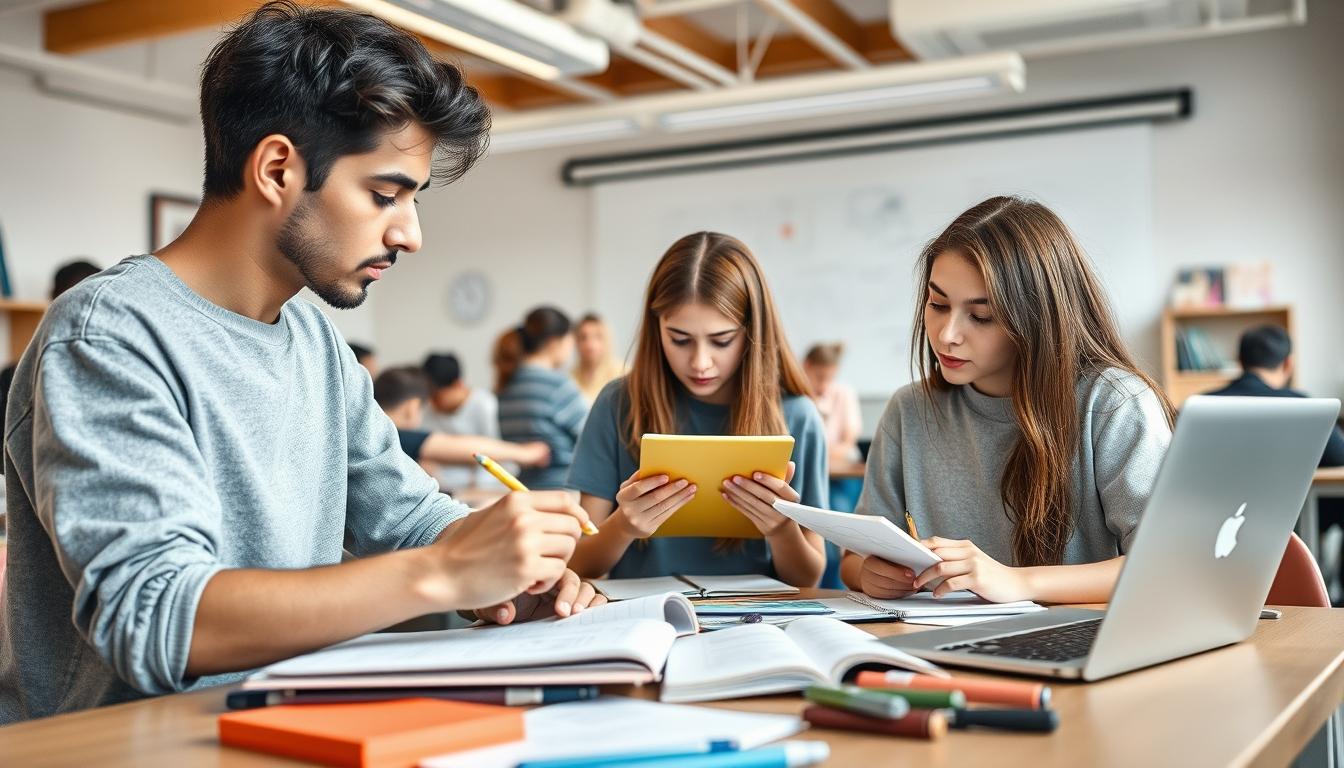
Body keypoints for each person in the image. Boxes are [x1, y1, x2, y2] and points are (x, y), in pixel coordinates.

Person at [0, 2, 602, 723]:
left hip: (286, 731)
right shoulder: (109, 335)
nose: (409, 234)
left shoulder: (313, 343)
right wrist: (447, 571)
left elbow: (408, 517)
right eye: (384, 195)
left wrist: (508, 570)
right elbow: (157, 617)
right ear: (279, 168)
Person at [842, 196, 1174, 605]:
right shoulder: (909, 411)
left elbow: (1166, 564)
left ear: (1037, 319)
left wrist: (1018, 582)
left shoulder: (1113, 403)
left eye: (981, 316)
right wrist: (868, 573)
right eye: (938, 304)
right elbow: (854, 559)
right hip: (939, 644)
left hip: (1075, 644)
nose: (947, 334)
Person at [566, 232, 829, 587]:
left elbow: (808, 578)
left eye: (721, 341)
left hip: (755, 621)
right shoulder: (617, 403)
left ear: (752, 330)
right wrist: (624, 525)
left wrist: (781, 529)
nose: (700, 362)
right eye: (680, 339)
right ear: (655, 326)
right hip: (647, 620)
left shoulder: (797, 415)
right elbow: (581, 566)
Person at [1204, 325, 1344, 466]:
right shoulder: (1303, 405)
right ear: (1288, 364)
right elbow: (1339, 456)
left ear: (1239, 361)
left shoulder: (1202, 404)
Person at [374, 366, 549, 473]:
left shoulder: (369, 431)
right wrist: (526, 453)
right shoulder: (391, 435)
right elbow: (460, 447)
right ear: (411, 408)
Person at [496, 307, 588, 490]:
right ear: (555, 342)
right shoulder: (557, 386)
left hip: (524, 490)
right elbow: (592, 437)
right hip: (565, 490)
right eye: (571, 341)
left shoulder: (505, 386)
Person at [421, 352, 501, 490]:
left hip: (488, 486)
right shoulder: (428, 410)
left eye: (437, 396)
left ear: (458, 385)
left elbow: (498, 454)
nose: (433, 403)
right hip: (445, 488)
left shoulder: (484, 404)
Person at [572, 313, 626, 404]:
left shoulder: (623, 373)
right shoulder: (570, 377)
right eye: (583, 338)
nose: (590, 344)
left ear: (607, 340)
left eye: (597, 337)